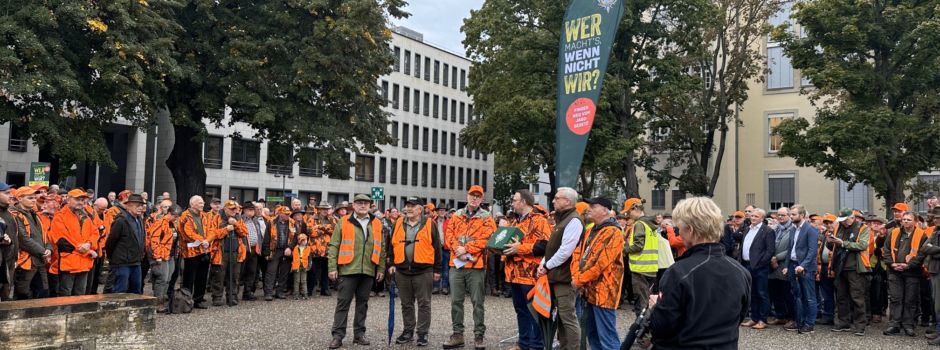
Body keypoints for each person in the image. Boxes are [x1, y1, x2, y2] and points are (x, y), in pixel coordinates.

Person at [648, 197, 751, 349]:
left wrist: (656, 308)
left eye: (679, 228)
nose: (678, 233)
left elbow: (661, 328)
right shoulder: (740, 271)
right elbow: (739, 316)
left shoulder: (678, 272)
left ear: (689, 230)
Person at [327, 194, 387, 349]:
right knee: (343, 303)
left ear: (370, 205)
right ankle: (338, 335)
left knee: (363, 304)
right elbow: (334, 245)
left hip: (368, 269)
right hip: (348, 269)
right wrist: (332, 267)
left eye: (366, 203)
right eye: (359, 203)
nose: (363, 205)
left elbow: (381, 248)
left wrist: (380, 268)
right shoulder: (344, 221)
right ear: (353, 205)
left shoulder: (377, 223)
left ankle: (359, 334)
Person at [443, 185, 496, 350]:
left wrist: (466, 249)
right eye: (472, 195)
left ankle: (479, 336)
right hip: (456, 264)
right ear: (467, 196)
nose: (474, 198)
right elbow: (448, 235)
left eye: (478, 196)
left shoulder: (487, 217)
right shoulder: (456, 215)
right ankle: (457, 335)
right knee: (455, 301)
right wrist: (457, 250)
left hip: (476, 265)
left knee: (477, 302)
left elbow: (488, 238)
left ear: (481, 199)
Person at [571, 197, 624, 350]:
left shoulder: (613, 232)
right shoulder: (590, 230)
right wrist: (577, 278)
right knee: (592, 335)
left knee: (607, 338)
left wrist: (578, 281)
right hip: (588, 291)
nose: (589, 209)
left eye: (593, 206)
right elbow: (578, 255)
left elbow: (599, 264)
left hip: (604, 293)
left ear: (605, 210)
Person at [389, 197, 442, 347]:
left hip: (423, 270)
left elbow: (437, 247)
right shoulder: (398, 222)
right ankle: (408, 331)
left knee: (424, 303)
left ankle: (422, 333)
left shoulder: (429, 223)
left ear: (420, 209)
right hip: (402, 270)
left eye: (413, 206)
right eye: (407, 205)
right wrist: (392, 263)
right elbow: (391, 244)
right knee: (406, 303)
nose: (409, 208)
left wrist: (437, 269)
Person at [503, 190, 550, 350]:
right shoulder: (515, 222)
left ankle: (536, 346)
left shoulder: (539, 220)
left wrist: (520, 248)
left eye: (515, 200)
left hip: (531, 275)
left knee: (534, 312)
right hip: (514, 275)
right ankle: (523, 344)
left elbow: (544, 246)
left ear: (523, 202)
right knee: (521, 311)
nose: (512, 203)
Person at [537, 187, 582, 350]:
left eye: (557, 198)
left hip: (565, 278)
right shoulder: (562, 219)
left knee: (568, 318)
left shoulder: (574, 220)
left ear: (568, 202)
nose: (553, 200)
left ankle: (573, 348)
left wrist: (547, 266)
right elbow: (552, 247)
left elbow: (565, 251)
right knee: (562, 318)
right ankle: (564, 347)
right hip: (556, 276)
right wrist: (543, 264)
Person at [828, 208, 872, 335]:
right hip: (840, 266)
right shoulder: (839, 227)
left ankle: (860, 325)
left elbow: (863, 245)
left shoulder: (863, 228)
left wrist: (843, 243)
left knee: (857, 297)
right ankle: (843, 322)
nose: (842, 223)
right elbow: (835, 246)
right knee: (841, 296)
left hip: (855, 268)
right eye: (841, 220)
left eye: (844, 220)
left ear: (851, 217)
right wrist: (830, 242)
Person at [883, 211, 927, 337]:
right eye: (904, 219)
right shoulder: (894, 233)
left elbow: (922, 255)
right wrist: (892, 264)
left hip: (912, 272)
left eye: (908, 219)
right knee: (896, 299)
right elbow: (886, 250)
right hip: (894, 271)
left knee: (910, 300)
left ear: (915, 221)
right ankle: (894, 324)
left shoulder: (922, 235)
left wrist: (908, 265)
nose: (905, 221)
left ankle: (908, 325)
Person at [48, 189, 98, 296]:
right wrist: (87, 250)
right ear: (68, 199)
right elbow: (62, 241)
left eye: (82, 200)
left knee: (80, 295)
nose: (80, 202)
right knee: (65, 296)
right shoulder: (60, 216)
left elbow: (95, 232)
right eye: (77, 199)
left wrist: (88, 244)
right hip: (68, 263)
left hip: (84, 263)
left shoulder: (86, 216)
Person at [11, 186, 51, 299]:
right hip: (26, 262)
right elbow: (23, 239)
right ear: (19, 199)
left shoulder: (35, 214)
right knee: (23, 294)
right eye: (30, 198)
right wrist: (44, 251)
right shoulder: (15, 215)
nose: (34, 200)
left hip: (40, 260)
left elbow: (45, 234)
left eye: (34, 198)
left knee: (42, 292)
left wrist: (49, 248)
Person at [738, 208, 775, 330]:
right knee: (752, 293)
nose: (753, 218)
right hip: (746, 265)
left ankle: (762, 319)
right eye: (752, 216)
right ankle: (754, 318)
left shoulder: (767, 231)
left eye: (756, 216)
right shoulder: (747, 229)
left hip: (760, 267)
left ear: (762, 218)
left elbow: (770, 251)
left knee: (762, 293)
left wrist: (760, 263)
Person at [784, 204, 819, 334]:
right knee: (797, 296)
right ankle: (800, 321)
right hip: (793, 266)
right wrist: (787, 266)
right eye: (790, 214)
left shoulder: (811, 230)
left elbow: (812, 251)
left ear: (802, 215)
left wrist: (803, 265)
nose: (790, 216)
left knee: (809, 297)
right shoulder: (793, 229)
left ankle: (809, 324)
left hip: (806, 268)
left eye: (793, 214)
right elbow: (790, 249)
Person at [179, 196, 218, 309]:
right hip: (191, 252)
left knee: (202, 276)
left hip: (205, 250)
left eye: (202, 202)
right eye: (200, 203)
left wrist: (207, 240)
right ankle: (187, 300)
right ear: (193, 204)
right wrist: (203, 240)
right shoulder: (185, 216)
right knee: (189, 277)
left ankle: (199, 299)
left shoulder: (205, 215)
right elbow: (187, 233)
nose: (203, 204)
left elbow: (212, 230)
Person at [105, 193, 147, 294]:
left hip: (136, 261)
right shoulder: (121, 220)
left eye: (142, 205)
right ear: (128, 206)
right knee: (119, 291)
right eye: (137, 206)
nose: (140, 208)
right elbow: (110, 242)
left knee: (136, 290)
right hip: (121, 263)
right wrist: (114, 258)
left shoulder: (140, 219)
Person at [624, 197, 659, 316]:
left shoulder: (639, 224)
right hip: (651, 269)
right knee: (647, 302)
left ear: (635, 209)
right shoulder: (650, 225)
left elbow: (638, 246)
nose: (628, 216)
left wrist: (624, 249)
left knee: (641, 304)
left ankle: (642, 332)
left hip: (640, 270)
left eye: (629, 212)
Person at [210, 200, 247, 306]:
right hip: (221, 252)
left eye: (235, 209)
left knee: (234, 276)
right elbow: (213, 234)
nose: (234, 211)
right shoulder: (217, 218)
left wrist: (235, 224)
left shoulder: (238, 218)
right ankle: (217, 297)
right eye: (231, 209)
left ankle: (232, 296)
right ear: (225, 209)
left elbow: (244, 233)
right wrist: (226, 229)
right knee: (219, 276)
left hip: (236, 252)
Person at [147, 204, 181, 312]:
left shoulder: (172, 224)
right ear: (170, 213)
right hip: (161, 255)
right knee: (162, 279)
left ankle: (163, 300)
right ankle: (158, 303)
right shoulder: (160, 222)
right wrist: (157, 257)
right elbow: (154, 240)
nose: (176, 218)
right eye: (175, 216)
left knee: (168, 279)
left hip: (170, 255)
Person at [914, 212, 940, 345]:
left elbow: (929, 249)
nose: (935, 219)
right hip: (935, 270)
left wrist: (933, 250)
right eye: (935, 217)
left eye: (938, 217)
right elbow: (924, 248)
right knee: (937, 304)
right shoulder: (935, 231)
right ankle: (938, 330)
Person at [770, 207, 796, 328]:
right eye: (778, 215)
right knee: (775, 292)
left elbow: (791, 248)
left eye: (783, 215)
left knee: (787, 293)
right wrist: (771, 258)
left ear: (789, 215)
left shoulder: (793, 229)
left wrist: (777, 257)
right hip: (772, 264)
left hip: (785, 264)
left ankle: (791, 317)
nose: (780, 217)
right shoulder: (775, 229)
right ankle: (781, 316)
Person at [263, 207, 295, 301]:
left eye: (288, 214)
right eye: (285, 214)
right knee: (271, 272)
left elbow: (295, 237)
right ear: (280, 213)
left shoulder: (292, 222)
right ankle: (268, 293)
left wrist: (290, 247)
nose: (287, 215)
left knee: (284, 272)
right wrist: (266, 252)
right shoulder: (271, 222)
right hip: (274, 250)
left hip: (286, 250)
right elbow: (267, 237)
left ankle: (280, 292)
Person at [239, 202, 265, 300]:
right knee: (240, 273)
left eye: (252, 210)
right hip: (243, 250)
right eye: (249, 210)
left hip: (254, 250)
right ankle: (234, 294)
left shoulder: (255, 221)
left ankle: (247, 292)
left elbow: (259, 235)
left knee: (252, 272)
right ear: (244, 210)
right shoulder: (240, 220)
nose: (251, 212)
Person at [309, 201, 335, 296]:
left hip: (327, 250)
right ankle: (310, 289)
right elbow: (310, 232)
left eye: (327, 209)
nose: (325, 211)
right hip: (315, 250)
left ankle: (325, 289)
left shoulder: (332, 219)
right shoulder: (312, 218)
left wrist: (320, 227)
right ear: (319, 209)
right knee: (313, 271)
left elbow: (334, 230)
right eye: (323, 209)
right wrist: (325, 230)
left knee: (326, 271)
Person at [0, 183, 17, 300]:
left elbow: (15, 237)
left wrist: (16, 256)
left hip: (9, 260)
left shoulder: (9, 213)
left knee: (6, 296)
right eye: (6, 193)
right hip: (2, 260)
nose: (10, 196)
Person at [434, 205, 451, 295]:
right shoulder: (433, 221)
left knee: (445, 268)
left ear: (445, 212)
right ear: (437, 211)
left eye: (443, 210)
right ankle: (436, 287)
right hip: (436, 248)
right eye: (440, 210)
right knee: (436, 268)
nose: (442, 211)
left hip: (446, 248)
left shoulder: (449, 221)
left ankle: (445, 287)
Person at [291, 233, 313, 300]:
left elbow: (310, 259)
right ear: (299, 241)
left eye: (305, 240)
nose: (304, 242)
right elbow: (293, 258)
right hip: (296, 267)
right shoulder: (295, 248)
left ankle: (305, 294)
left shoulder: (308, 248)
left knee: (304, 281)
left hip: (304, 267)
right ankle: (296, 295)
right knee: (297, 281)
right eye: (303, 240)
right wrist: (293, 267)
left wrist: (309, 267)